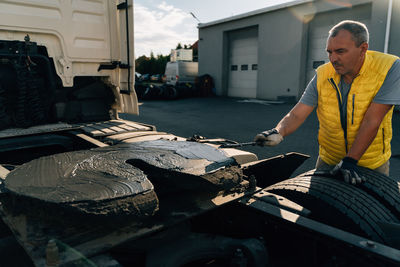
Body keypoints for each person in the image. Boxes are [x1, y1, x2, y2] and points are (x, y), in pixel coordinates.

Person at [254, 20, 400, 185]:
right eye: (329, 52)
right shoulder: (323, 74)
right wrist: (278, 131)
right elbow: (297, 113)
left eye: (340, 51)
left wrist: (351, 160)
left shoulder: (390, 68)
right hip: (328, 159)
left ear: (363, 49)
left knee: (372, 209)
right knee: (317, 207)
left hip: (370, 163)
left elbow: (371, 121)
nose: (333, 59)